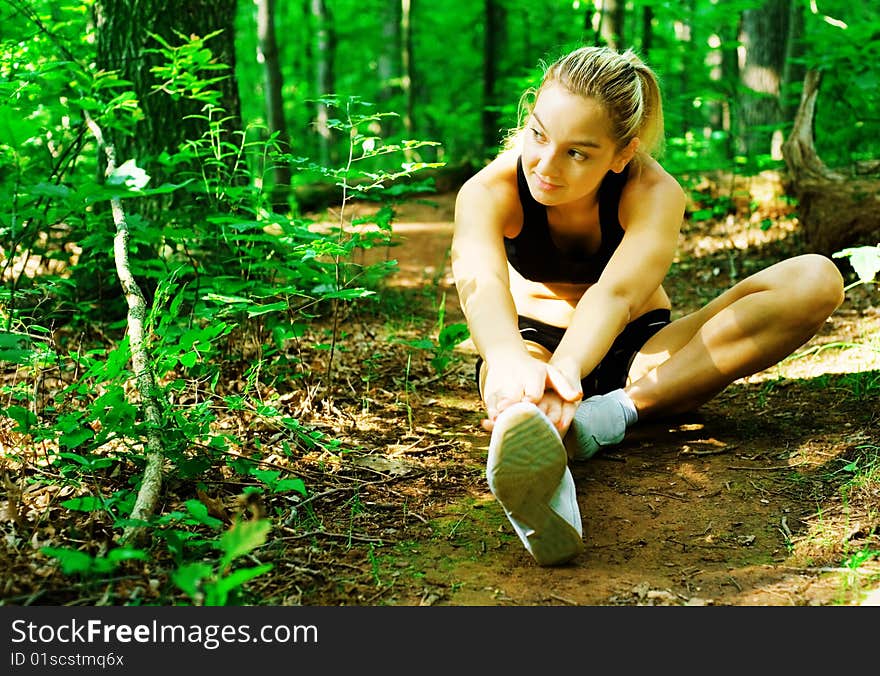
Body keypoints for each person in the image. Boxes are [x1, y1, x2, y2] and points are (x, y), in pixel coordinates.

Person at [450, 45, 845, 567]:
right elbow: (479, 282)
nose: (546, 164)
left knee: (816, 279)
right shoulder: (488, 189)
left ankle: (601, 419)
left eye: (578, 152)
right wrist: (506, 362)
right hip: (531, 344)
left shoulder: (654, 191)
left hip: (639, 354)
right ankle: (542, 444)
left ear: (621, 154)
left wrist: (570, 372)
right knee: (522, 397)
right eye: (539, 134)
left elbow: (615, 296)